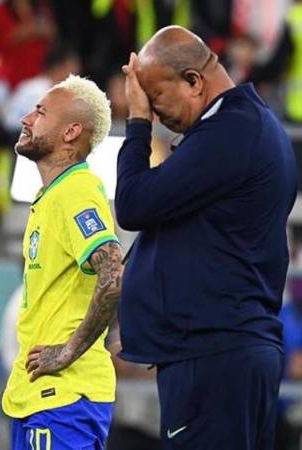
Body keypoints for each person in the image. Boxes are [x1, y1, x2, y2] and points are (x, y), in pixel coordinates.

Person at [115, 25, 298, 449]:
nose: (154, 111)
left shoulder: (232, 131)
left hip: (214, 357)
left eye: (156, 97)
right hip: (222, 354)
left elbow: (133, 203)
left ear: (194, 81)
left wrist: (137, 123)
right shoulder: (243, 126)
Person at [2, 74, 123, 450]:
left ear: (71, 132)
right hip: (36, 397)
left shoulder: (77, 190)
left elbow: (113, 272)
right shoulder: (52, 196)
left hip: (64, 398)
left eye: (40, 112)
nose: (26, 119)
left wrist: (68, 351)